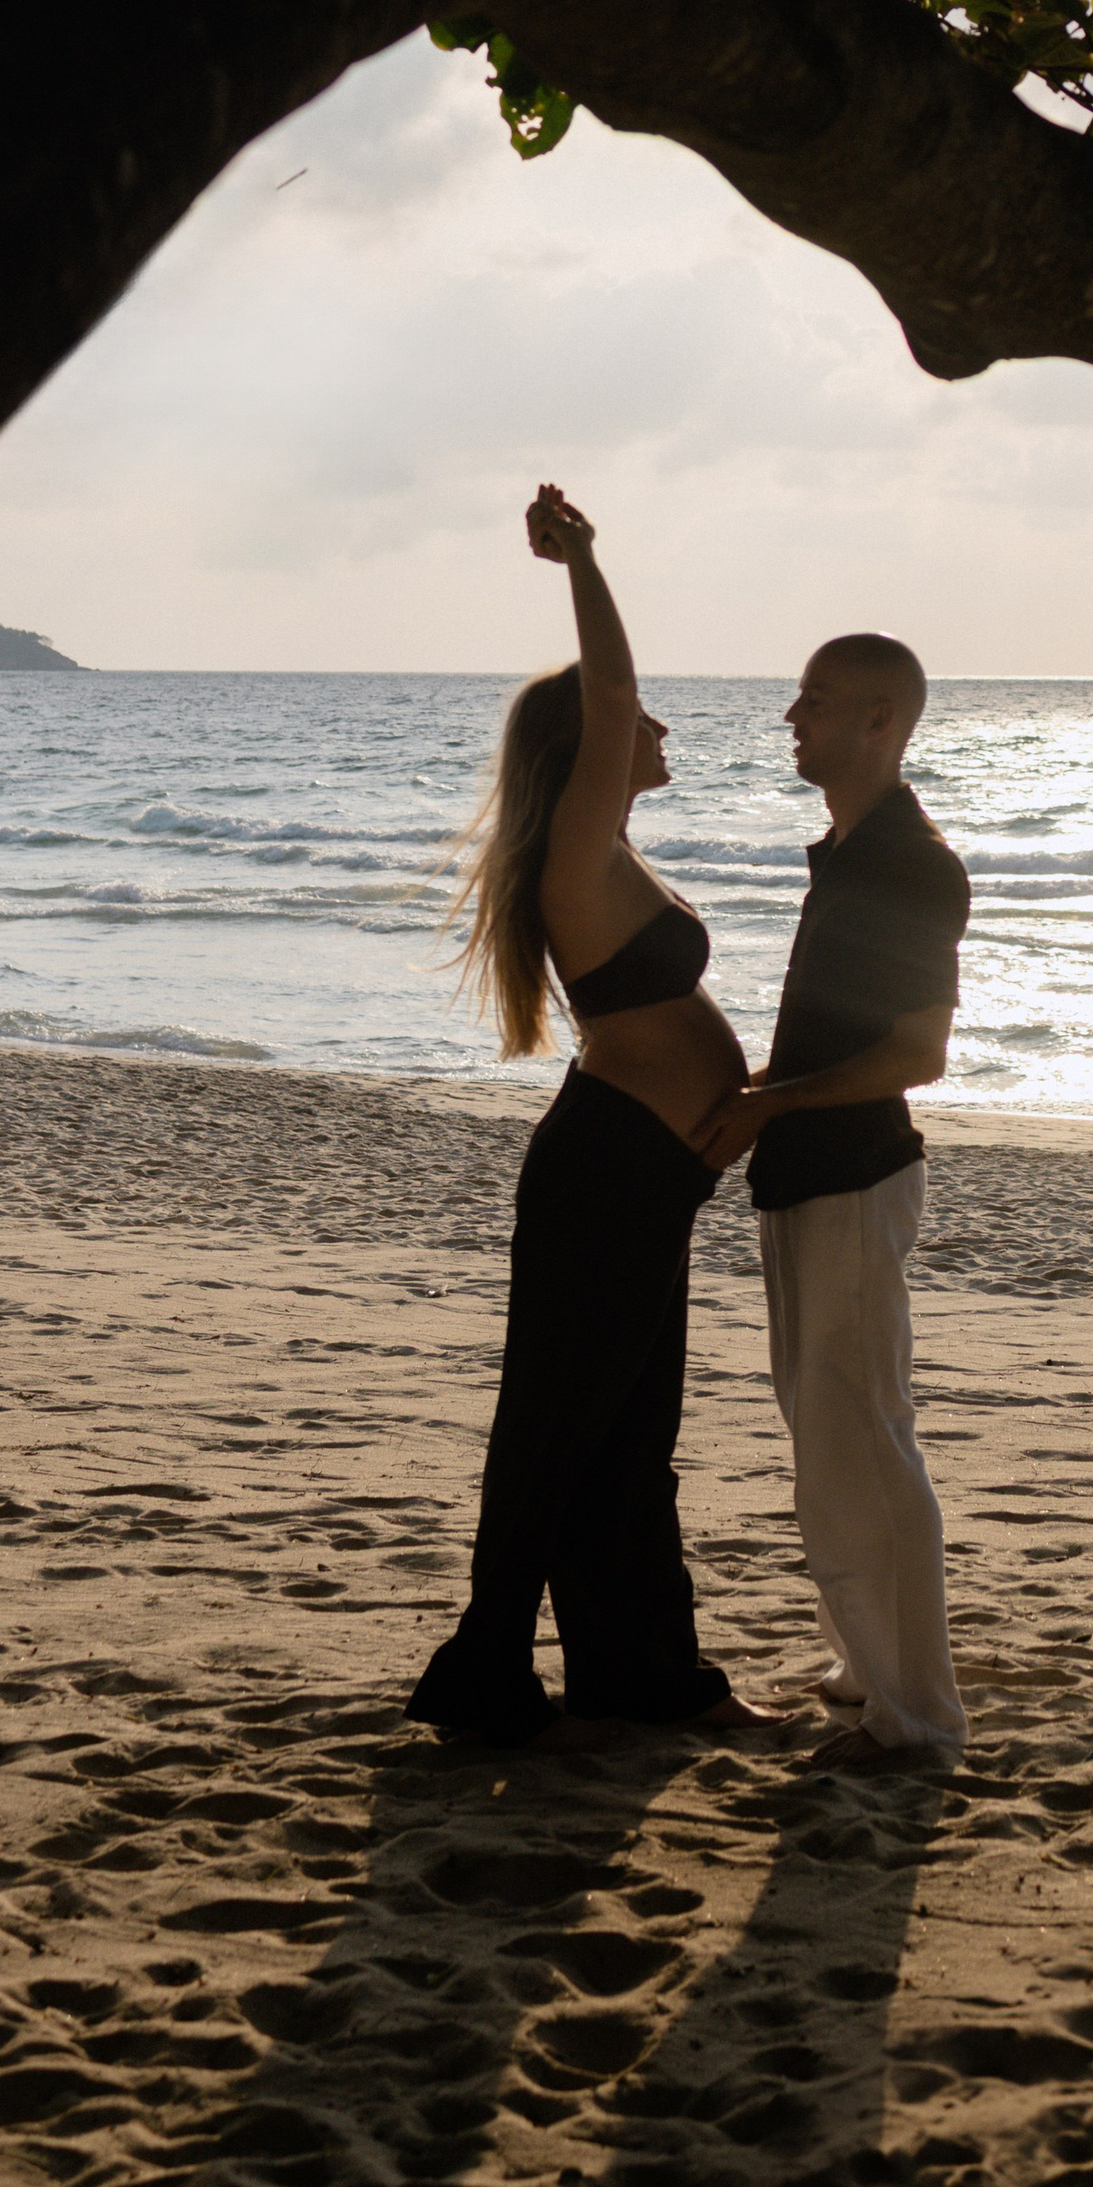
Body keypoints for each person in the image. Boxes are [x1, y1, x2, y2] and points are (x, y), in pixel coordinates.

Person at [406, 483, 774, 1751]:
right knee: (570, 1431)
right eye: (633, 719)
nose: (659, 722)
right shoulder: (578, 847)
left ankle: (629, 1677)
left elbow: (617, 706)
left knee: (622, 1435)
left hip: (639, 1176)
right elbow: (614, 691)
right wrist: (586, 561)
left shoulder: (607, 850)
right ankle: (507, 1675)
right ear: (590, 744)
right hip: (608, 1170)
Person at [700, 636, 971, 1770]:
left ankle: (915, 1719)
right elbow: (832, 1036)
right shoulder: (854, 853)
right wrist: (754, 1095)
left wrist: (768, 1105)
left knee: (863, 1441)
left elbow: (915, 1054)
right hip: (811, 1172)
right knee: (830, 1439)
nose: (788, 716)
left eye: (810, 699)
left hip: (853, 1173)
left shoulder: (909, 861)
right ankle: (865, 1669)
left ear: (875, 717)